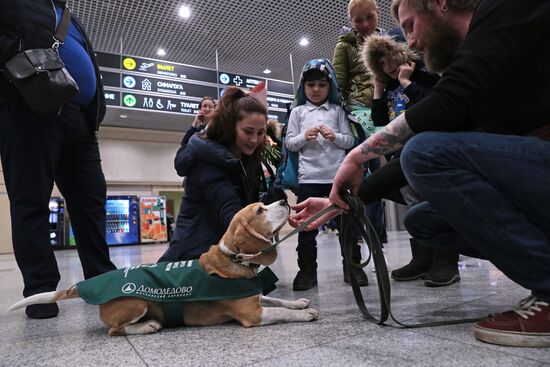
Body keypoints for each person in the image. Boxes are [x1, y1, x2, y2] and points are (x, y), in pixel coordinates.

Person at [291, 0, 550, 348]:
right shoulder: (475, 73)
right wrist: (344, 201)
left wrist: (356, 155)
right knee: (425, 221)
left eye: (411, 25)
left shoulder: (505, 10)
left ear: (440, 3)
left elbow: (444, 106)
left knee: (422, 151)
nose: (409, 42)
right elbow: (430, 140)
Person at [0, 0, 116, 319]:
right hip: (29, 112)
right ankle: (41, 292)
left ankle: (103, 281)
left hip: (80, 120)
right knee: (31, 202)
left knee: (91, 202)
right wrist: (17, 55)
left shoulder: (69, 15)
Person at [364, 34, 460, 286]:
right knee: (413, 203)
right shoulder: (390, 85)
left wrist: (407, 82)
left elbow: (434, 106)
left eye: (390, 59)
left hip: (429, 153)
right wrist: (378, 88)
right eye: (381, 63)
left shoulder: (425, 75)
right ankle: (422, 259)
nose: (387, 67)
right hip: (402, 156)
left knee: (436, 203)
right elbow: (379, 121)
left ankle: (446, 262)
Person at [158, 86, 267, 261]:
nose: (254, 139)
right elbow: (229, 211)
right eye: (248, 131)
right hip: (194, 258)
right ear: (231, 127)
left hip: (217, 252)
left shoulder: (242, 158)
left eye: (260, 133)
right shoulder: (209, 161)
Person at [285, 59, 366, 291]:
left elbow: (350, 141)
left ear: (330, 86)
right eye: (311, 85)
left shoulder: (338, 110)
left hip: (337, 178)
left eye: (322, 84)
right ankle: (307, 272)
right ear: (303, 87)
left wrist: (335, 137)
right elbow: (289, 143)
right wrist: (303, 137)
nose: (317, 89)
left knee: (348, 226)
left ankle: (353, 268)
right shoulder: (297, 112)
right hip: (308, 179)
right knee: (306, 229)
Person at [332, 0, 388, 245]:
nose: (365, 25)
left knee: (383, 178)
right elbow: (338, 86)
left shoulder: (388, 43)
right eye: (358, 20)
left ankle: (377, 238)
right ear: (352, 22)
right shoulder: (344, 47)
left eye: (369, 18)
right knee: (363, 176)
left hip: (386, 114)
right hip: (357, 117)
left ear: (378, 15)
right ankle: (358, 239)